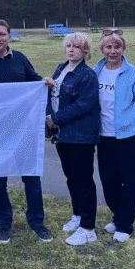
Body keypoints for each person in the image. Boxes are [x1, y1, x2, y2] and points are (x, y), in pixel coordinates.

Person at [0, 20, 53, 244]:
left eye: (2, 34)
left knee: (31, 178)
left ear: (9, 37)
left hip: (24, 129)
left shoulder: (21, 59)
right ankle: (4, 224)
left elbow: (35, 82)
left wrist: (45, 81)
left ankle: (37, 222)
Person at [93, 28, 135, 243]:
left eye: (117, 46)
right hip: (104, 137)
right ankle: (118, 215)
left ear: (123, 48)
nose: (112, 51)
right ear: (102, 49)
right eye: (108, 47)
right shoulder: (95, 72)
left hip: (130, 136)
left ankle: (125, 225)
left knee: (129, 182)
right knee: (108, 180)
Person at [44, 32, 101, 246]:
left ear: (85, 51)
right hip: (63, 135)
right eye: (68, 45)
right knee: (71, 177)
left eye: (76, 47)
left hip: (81, 136)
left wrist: (55, 119)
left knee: (84, 180)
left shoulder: (88, 75)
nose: (71, 49)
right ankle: (77, 215)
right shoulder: (61, 68)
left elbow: (84, 105)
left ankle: (88, 228)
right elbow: (54, 95)